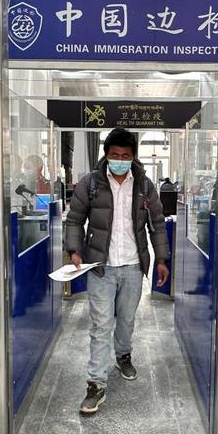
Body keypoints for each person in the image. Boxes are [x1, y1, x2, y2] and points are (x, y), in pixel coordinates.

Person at [65, 127, 170, 414]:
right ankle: (96, 385)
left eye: (125, 155)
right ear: (106, 155)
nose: (120, 159)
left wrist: (161, 259)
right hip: (100, 266)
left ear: (133, 157)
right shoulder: (91, 184)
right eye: (114, 155)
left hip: (134, 266)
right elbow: (74, 220)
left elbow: (157, 224)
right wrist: (74, 250)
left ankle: (123, 355)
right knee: (101, 326)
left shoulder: (145, 186)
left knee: (126, 320)